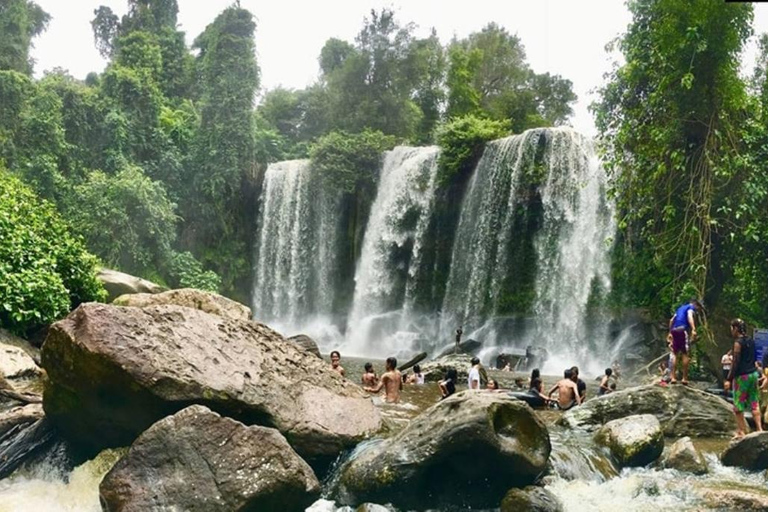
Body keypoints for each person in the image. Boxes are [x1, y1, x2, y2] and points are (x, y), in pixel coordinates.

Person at [727, 318, 763, 439]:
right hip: (753, 374)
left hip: (742, 376)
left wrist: (729, 378)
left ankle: (741, 431)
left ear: (735, 328)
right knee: (754, 402)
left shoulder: (738, 343)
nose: (731, 331)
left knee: (738, 406)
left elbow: (736, 361)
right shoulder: (751, 341)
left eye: (732, 328)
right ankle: (759, 429)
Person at [668, 299, 702, 385]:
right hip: (682, 330)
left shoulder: (680, 309)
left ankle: (673, 377)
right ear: (695, 304)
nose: (697, 310)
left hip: (674, 330)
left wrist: (670, 332)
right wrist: (693, 329)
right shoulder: (691, 308)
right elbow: (689, 316)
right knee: (685, 354)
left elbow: (671, 320)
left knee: (675, 353)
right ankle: (684, 378)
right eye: (698, 308)